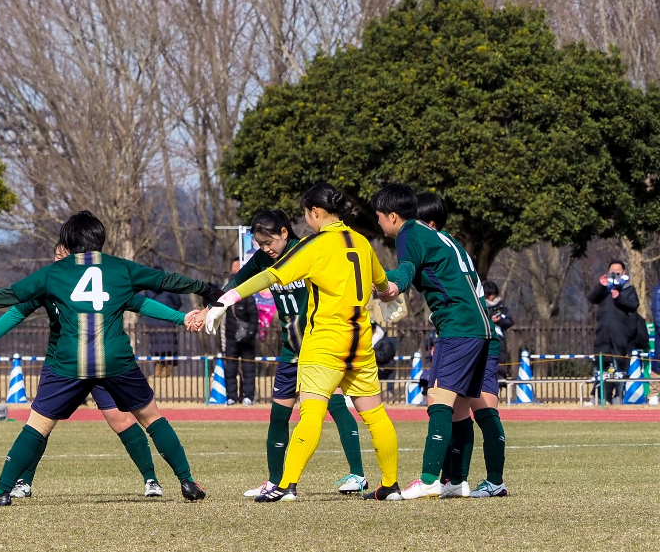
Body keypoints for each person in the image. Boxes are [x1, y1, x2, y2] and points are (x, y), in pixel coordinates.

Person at [0, 210, 213, 507]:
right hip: (115, 360)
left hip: (69, 363)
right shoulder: (119, 270)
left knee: (37, 426)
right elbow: (159, 287)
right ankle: (187, 481)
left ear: (68, 241)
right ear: (100, 238)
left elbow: (8, 296)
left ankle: (2, 491)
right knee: (151, 418)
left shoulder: (54, 274)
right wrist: (200, 296)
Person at [206, 183, 403, 503]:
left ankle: (285, 485)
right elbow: (381, 283)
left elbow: (271, 276)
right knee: (376, 415)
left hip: (324, 341)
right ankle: (391, 486)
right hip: (360, 341)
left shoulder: (315, 245)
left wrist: (225, 299)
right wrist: (386, 295)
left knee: (310, 413)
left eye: (305, 214)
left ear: (315, 212)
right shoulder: (362, 242)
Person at [0, 255, 169, 499]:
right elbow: (15, 313)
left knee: (120, 420)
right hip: (61, 365)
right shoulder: (50, 281)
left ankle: (151, 479)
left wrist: (181, 318)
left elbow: (140, 303)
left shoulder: (99, 283)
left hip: (98, 362)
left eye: (63, 255)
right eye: (55, 256)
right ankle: (24, 481)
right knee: (41, 423)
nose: (59, 260)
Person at [228, 210, 368, 499]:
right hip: (291, 348)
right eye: (260, 243)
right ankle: (275, 481)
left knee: (336, 406)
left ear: (284, 232)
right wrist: (213, 307)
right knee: (278, 414)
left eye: (269, 241)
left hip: (319, 344)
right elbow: (237, 282)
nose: (265, 248)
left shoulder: (308, 249)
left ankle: (358, 474)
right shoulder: (263, 260)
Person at [371, 184, 494, 501]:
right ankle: (456, 481)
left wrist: (392, 287)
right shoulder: (440, 236)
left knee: (438, 398)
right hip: (479, 326)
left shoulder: (409, 234)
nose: (379, 224)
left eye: (380, 218)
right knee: (461, 407)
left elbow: (407, 269)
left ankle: (428, 480)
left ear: (393, 216)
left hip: (458, 326)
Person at [414, 191, 508, 499]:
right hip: (485, 333)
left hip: (466, 334)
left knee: (457, 405)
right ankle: (466, 481)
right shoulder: (456, 247)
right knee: (472, 409)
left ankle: (444, 480)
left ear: (428, 223)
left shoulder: (434, 246)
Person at [586, 260, 643, 403]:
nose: (615, 273)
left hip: (621, 333)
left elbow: (633, 305)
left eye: (618, 271)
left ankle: (618, 395)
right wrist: (601, 285)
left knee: (618, 364)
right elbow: (591, 298)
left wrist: (619, 297)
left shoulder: (629, 289)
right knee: (601, 363)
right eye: (613, 271)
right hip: (603, 332)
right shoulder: (604, 290)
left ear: (623, 272)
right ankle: (599, 396)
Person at [222, 260, 258, 406]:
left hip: (246, 339)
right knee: (230, 368)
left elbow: (254, 317)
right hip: (231, 338)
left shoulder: (247, 296)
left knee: (248, 368)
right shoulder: (224, 299)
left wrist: (249, 334)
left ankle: (248, 396)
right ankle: (231, 396)